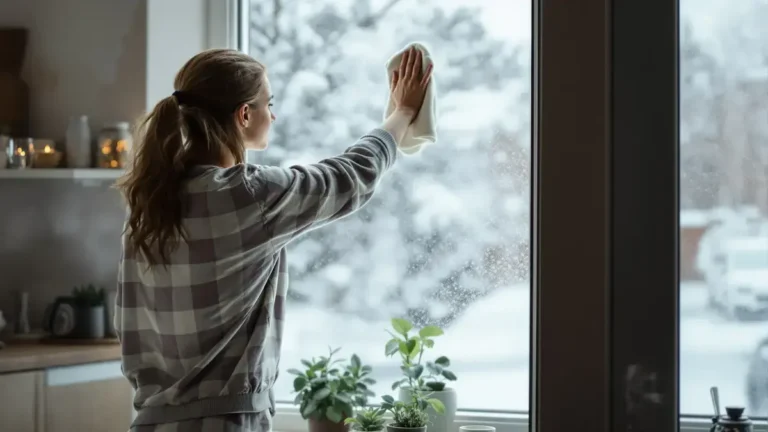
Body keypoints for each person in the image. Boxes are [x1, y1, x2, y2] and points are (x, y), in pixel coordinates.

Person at [114, 47, 432, 432]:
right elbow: (349, 177)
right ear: (243, 114)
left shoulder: (149, 204)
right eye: (269, 103)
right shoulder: (246, 196)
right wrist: (401, 114)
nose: (274, 115)